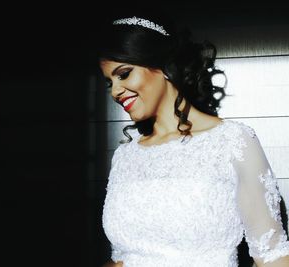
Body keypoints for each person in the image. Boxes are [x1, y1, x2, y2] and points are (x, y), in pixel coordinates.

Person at [95, 9, 289, 267]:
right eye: (110, 82)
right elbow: (120, 258)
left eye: (124, 74)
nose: (116, 91)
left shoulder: (233, 142)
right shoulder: (125, 156)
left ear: (163, 66)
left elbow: (273, 257)